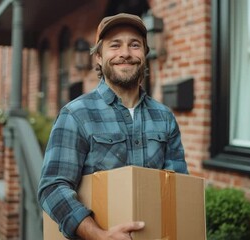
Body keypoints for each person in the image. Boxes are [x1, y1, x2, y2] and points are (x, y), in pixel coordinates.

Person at [37, 13, 188, 240]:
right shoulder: (76, 114)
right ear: (98, 56)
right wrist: (99, 235)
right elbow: (52, 188)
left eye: (134, 45)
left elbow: (177, 187)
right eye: (115, 45)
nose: (125, 53)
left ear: (145, 55)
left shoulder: (164, 117)